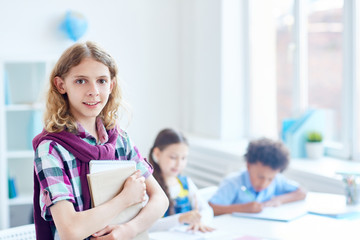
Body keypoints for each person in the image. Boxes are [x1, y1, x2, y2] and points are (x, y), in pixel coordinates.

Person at [32, 41, 168, 240]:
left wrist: (127, 230)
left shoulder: (120, 139)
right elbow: (70, 230)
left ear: (111, 85)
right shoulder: (51, 149)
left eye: (102, 81)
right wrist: (125, 199)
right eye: (81, 81)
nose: (93, 91)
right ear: (61, 85)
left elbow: (160, 200)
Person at [209, 138, 307, 216]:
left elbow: (301, 192)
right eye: (260, 177)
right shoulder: (233, 183)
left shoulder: (277, 180)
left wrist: (279, 200)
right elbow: (210, 208)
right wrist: (241, 209)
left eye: (270, 179)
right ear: (248, 165)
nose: (264, 183)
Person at [148, 128, 214, 233]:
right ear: (157, 154)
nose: (179, 164)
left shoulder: (186, 183)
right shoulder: (149, 186)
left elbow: (207, 210)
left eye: (183, 158)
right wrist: (180, 219)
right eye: (173, 157)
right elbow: (147, 225)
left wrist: (200, 221)